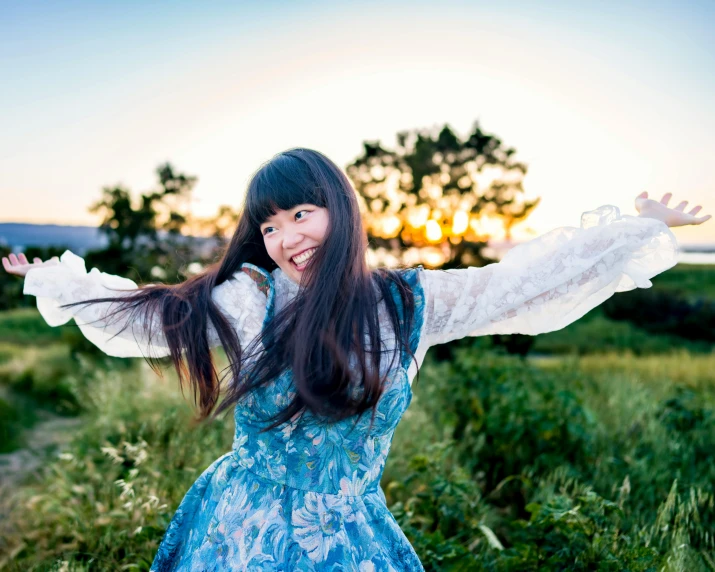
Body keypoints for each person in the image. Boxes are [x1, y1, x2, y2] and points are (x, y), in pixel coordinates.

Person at [2, 148, 711, 571]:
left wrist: (635, 232)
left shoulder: (406, 303)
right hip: (241, 522)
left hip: (349, 527)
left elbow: (516, 286)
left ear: (341, 211)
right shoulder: (248, 299)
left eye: (300, 214)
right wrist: (56, 282)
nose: (285, 237)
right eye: (269, 226)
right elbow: (158, 319)